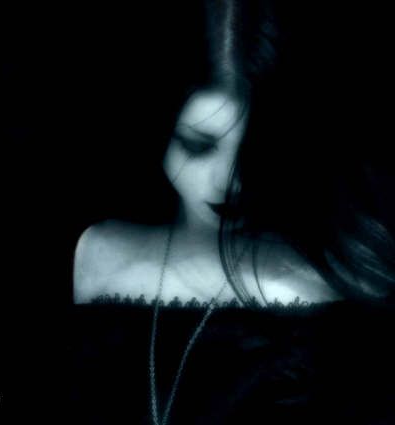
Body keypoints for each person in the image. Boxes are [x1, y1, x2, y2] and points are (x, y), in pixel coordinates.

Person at [68, 1, 395, 424]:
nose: (229, 180)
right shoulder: (94, 249)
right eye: (199, 144)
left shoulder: (339, 286)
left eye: (259, 149)